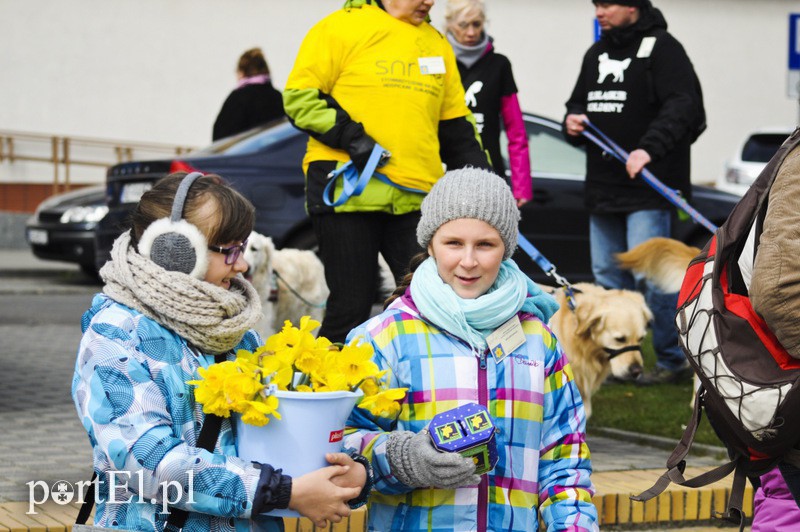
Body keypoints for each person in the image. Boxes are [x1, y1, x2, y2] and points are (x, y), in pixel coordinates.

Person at [71, 171, 369, 530]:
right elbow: (146, 459)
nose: (242, 265)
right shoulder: (115, 334)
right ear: (174, 250)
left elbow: (285, 426)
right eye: (230, 250)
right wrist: (281, 492)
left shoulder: (237, 331)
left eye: (243, 249)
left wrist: (347, 469)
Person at [343, 167, 599, 531]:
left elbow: (564, 455)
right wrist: (404, 459)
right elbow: (345, 441)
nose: (468, 261)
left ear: (505, 249)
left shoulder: (538, 339)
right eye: (453, 243)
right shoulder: (383, 336)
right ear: (430, 244)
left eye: (485, 245)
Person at [283, 0, 491, 344]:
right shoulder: (338, 28)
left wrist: (485, 182)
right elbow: (300, 99)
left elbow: (456, 125)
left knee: (431, 302)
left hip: (416, 198)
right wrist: (353, 137)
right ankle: (322, 392)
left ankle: (424, 391)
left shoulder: (436, 42)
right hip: (347, 194)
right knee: (352, 305)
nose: (430, 2)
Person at [563, 0, 703, 384]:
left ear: (633, 7)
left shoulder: (662, 48)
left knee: (652, 279)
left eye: (607, 4)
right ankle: (616, 359)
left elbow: (685, 107)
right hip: (603, 188)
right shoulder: (597, 53)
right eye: (596, 5)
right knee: (607, 275)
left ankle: (673, 361)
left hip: (647, 190)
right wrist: (572, 122)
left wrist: (648, 149)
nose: (599, 12)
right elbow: (578, 103)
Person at [444, 0, 532, 207]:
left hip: (490, 172)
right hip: (445, 172)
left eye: (477, 24)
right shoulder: (438, 60)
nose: (471, 32)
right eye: (463, 25)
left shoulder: (499, 64)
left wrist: (521, 186)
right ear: (450, 25)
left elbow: (516, 130)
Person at [212, 48, 284, 141]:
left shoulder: (237, 99)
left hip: (245, 155)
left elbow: (220, 138)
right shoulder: (278, 97)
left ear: (241, 73)